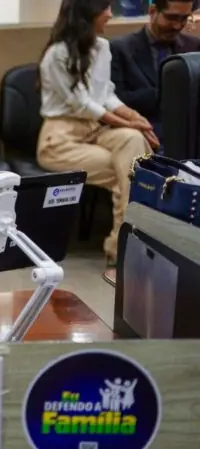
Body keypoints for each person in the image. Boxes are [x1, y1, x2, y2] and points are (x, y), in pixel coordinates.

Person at [37, 0, 155, 288]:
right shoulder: (57, 54)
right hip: (61, 138)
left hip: (97, 130)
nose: (111, 14)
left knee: (134, 141)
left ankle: (131, 249)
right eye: (105, 7)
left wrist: (137, 119)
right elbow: (82, 104)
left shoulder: (102, 47)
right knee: (127, 173)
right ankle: (121, 255)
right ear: (87, 13)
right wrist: (128, 123)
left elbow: (106, 96)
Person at [111, 0, 200, 144]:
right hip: (143, 137)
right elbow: (116, 100)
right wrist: (168, 92)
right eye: (171, 18)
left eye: (184, 18)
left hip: (190, 137)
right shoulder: (120, 49)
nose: (177, 26)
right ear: (153, 11)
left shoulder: (194, 47)